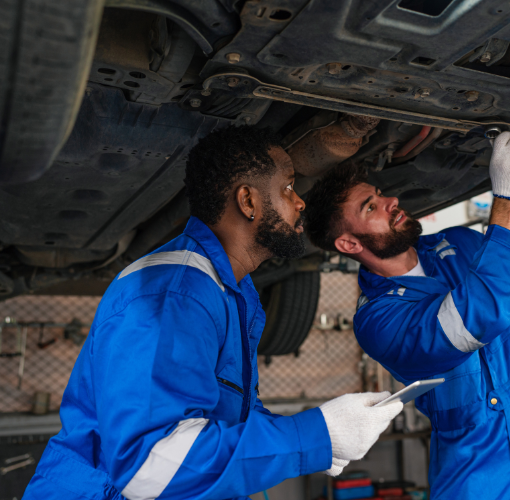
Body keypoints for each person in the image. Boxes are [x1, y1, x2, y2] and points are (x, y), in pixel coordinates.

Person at [24, 126, 403, 500]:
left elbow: (225, 418)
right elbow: (151, 466)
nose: (300, 202)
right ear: (248, 201)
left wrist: (324, 439)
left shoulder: (227, 290)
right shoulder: (176, 292)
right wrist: (315, 435)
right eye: (288, 187)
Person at [304, 131, 510, 499]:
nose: (391, 201)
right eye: (370, 207)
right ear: (349, 244)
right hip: (478, 460)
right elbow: (480, 316)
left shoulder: (456, 243)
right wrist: (507, 199)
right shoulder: (378, 321)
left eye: (380, 195)